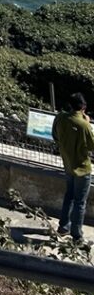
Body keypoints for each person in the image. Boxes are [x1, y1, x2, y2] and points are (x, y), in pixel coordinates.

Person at [52, 92, 94, 241]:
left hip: (68, 165)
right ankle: (77, 235)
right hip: (82, 169)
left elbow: (55, 135)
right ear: (83, 107)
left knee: (69, 196)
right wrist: (88, 123)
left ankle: (63, 227)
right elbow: (91, 145)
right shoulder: (83, 124)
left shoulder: (60, 118)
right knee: (80, 202)